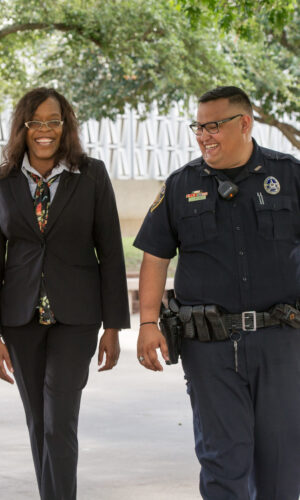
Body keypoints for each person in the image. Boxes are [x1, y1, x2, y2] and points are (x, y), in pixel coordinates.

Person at [134, 86, 300, 499]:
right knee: (222, 461)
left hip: (282, 342)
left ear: (244, 124)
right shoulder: (181, 184)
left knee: (281, 465)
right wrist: (148, 323)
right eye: (198, 127)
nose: (203, 135)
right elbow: (155, 257)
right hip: (209, 348)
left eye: (213, 126)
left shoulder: (290, 175)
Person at [0, 87, 130, 500]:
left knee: (59, 420)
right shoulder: (2, 181)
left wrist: (114, 327)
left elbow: (112, 253)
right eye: (35, 122)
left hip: (76, 318)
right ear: (22, 128)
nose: (44, 131)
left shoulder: (92, 174)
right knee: (37, 420)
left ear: (66, 127)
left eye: (53, 122)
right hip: (20, 320)